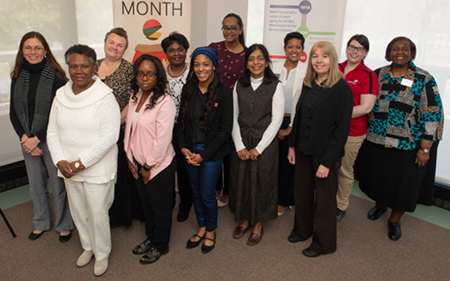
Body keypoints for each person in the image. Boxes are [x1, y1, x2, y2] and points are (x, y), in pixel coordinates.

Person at [358, 36, 444, 241]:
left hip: (407, 145)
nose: (400, 52)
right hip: (376, 140)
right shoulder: (378, 74)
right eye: (395, 49)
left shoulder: (424, 79)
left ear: (411, 53)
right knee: (379, 179)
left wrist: (425, 149)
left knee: (403, 186)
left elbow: (432, 113)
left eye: (405, 49)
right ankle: (380, 206)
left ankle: (394, 220)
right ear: (388, 53)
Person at [47, 44, 120, 277]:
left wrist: (80, 164)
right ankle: (88, 247)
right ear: (68, 67)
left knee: (98, 213)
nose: (79, 71)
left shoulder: (104, 96)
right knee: (78, 212)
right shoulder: (61, 95)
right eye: (74, 66)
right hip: (68, 168)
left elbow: (109, 137)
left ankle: (102, 253)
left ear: (93, 67)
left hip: (95, 168)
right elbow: (52, 132)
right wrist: (60, 160)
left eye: (84, 66)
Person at [287, 41, 353, 258]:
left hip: (325, 154)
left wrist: (327, 162)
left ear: (332, 59)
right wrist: (292, 146)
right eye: (315, 56)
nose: (319, 60)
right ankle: (302, 230)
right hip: (303, 150)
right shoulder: (308, 83)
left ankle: (324, 244)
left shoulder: (342, 88)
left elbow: (342, 130)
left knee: (325, 201)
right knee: (302, 193)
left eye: (324, 56)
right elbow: (299, 117)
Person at [9, 31, 74, 242]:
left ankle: (64, 224)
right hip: (27, 140)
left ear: (45, 50)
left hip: (51, 138)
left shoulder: (56, 76)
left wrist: (37, 137)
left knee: (58, 185)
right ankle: (41, 222)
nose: (32, 52)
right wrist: (25, 139)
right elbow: (13, 112)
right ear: (22, 51)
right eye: (28, 48)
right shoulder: (17, 75)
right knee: (36, 185)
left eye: (37, 48)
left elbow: (58, 112)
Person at [177, 47, 233, 254]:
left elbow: (225, 131)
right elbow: (181, 123)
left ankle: (211, 231)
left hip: (210, 154)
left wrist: (204, 155)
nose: (201, 69)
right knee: (195, 193)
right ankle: (201, 227)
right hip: (190, 152)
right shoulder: (188, 89)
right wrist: (183, 148)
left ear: (214, 66)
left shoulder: (225, 93)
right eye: (197, 64)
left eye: (206, 64)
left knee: (207, 194)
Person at [229, 44, 285, 246]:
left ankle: (258, 224)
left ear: (267, 61)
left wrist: (259, 148)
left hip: (265, 144)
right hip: (242, 141)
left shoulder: (275, 85)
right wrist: (239, 146)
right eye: (251, 59)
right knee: (241, 181)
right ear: (246, 63)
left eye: (260, 58)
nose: (256, 62)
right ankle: (244, 220)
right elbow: (233, 115)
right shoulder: (239, 84)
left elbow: (277, 119)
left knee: (262, 183)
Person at [125, 55, 177, 264]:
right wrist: (129, 157)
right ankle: (151, 238)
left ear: (158, 76)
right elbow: (129, 129)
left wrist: (147, 166)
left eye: (150, 73)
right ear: (136, 76)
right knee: (147, 206)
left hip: (158, 166)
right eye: (141, 73)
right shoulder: (135, 96)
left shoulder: (165, 102)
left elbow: (163, 140)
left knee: (161, 209)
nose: (145, 77)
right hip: (137, 164)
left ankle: (160, 244)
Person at [95, 27, 144, 227]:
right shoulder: (92, 65)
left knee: (121, 172)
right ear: (105, 43)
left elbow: (134, 99)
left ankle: (123, 215)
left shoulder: (129, 69)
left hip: (120, 128)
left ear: (125, 49)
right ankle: (103, 213)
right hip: (94, 130)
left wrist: (116, 121)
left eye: (120, 45)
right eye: (112, 43)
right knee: (101, 172)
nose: (114, 47)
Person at [336, 35, 378, 222]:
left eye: (359, 49)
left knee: (344, 169)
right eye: (352, 47)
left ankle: (340, 206)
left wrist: (336, 114)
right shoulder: (335, 68)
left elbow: (366, 107)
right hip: (328, 130)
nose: (354, 51)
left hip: (352, 132)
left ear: (365, 53)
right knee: (325, 166)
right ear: (346, 48)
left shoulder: (368, 75)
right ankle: (325, 200)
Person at [209, 13, 247, 207]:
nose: (228, 31)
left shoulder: (247, 54)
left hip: (236, 111)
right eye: (225, 27)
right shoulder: (213, 48)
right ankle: (215, 186)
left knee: (231, 154)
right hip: (213, 108)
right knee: (214, 148)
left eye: (233, 28)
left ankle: (228, 192)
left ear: (240, 29)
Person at [271, 31, 307, 217]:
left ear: (302, 50)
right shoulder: (273, 68)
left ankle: (284, 200)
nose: (294, 50)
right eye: (290, 46)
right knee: (271, 161)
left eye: (298, 47)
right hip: (272, 120)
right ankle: (270, 196)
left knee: (288, 163)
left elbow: (302, 103)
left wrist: (290, 127)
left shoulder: (307, 71)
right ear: (284, 48)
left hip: (294, 120)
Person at [161, 32, 193, 222]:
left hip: (187, 129)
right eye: (171, 50)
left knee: (183, 168)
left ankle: (185, 204)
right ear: (166, 53)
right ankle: (169, 200)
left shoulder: (194, 72)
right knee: (165, 166)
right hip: (164, 128)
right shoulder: (161, 74)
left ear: (186, 51)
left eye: (180, 49)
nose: (176, 53)